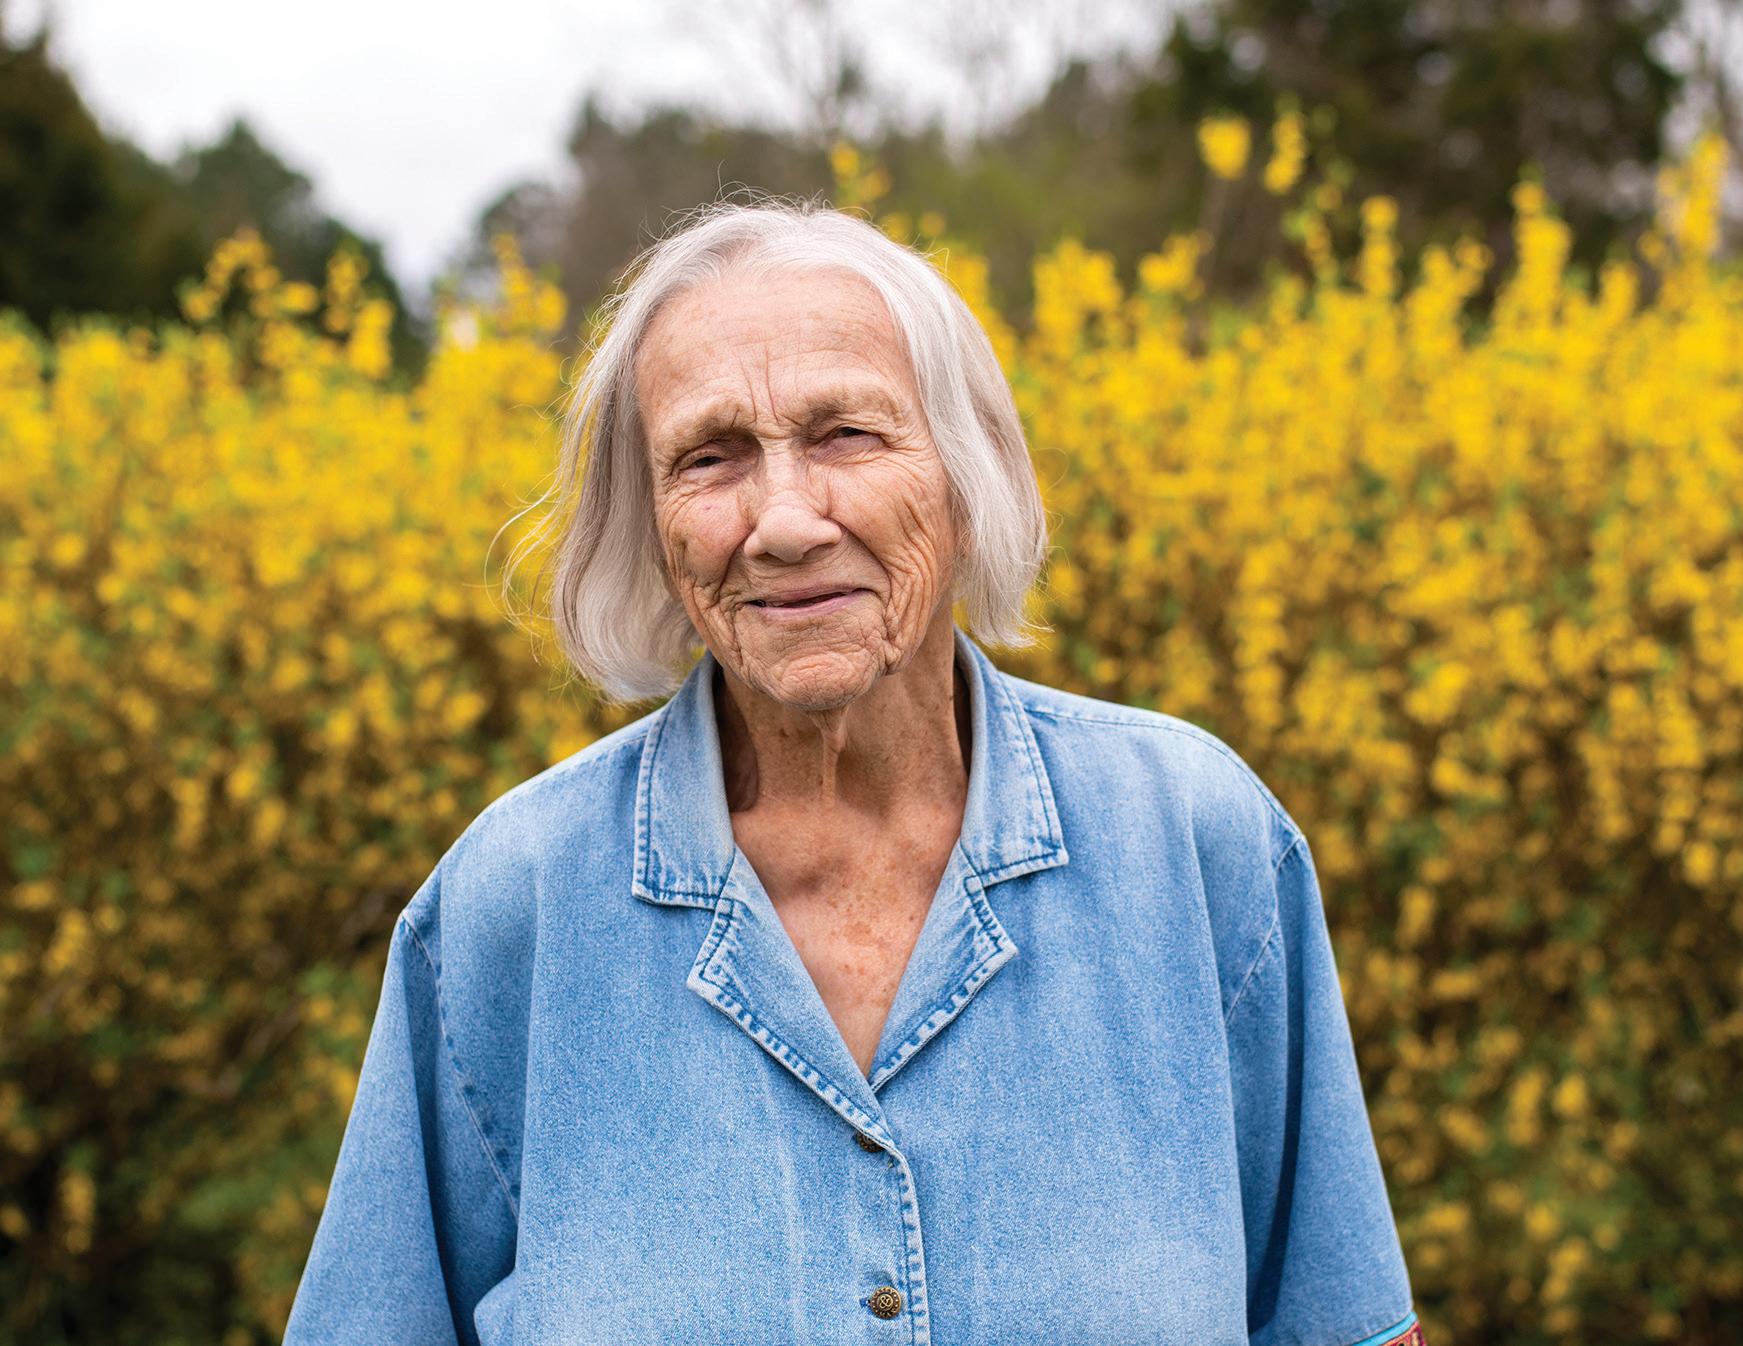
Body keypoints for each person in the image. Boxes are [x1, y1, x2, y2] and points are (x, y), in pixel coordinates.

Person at [283, 199, 1425, 1346]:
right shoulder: (513, 901)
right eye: (711, 456)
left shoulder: (1194, 839)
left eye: (844, 434)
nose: (784, 521)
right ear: (653, 527)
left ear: (966, 475)